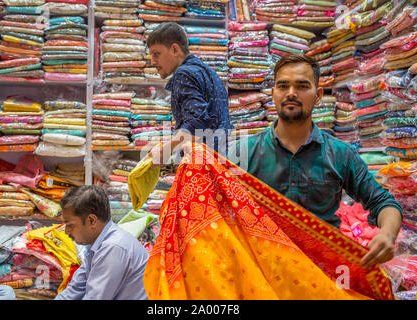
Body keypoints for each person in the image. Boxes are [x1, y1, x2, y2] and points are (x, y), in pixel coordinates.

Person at [228, 54, 403, 269]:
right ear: (273, 94)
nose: (291, 93)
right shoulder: (242, 153)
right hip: (262, 272)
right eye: (283, 86)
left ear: (318, 95)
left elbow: (384, 203)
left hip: (324, 273)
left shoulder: (340, 154)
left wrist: (387, 234)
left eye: (302, 86)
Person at [146, 22, 233, 164]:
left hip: (199, 168)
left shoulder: (183, 74)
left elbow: (197, 124)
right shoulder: (209, 73)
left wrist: (166, 150)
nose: (152, 61)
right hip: (218, 163)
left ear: (175, 49)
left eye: (156, 54)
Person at [54, 185, 149, 300]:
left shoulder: (113, 248)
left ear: (91, 220)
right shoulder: (96, 246)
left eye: (70, 225)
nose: (67, 231)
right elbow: (76, 288)